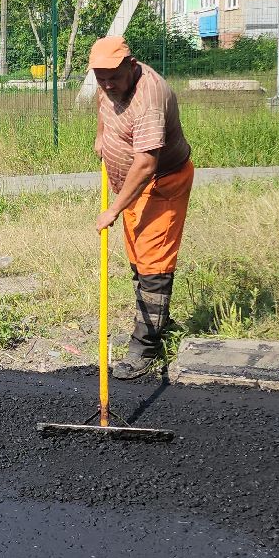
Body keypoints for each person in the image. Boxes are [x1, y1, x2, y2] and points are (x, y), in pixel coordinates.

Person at [90, 34, 194, 380]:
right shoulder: (109, 83)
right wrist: (102, 136)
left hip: (160, 184)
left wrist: (113, 209)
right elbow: (105, 105)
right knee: (139, 260)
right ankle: (155, 322)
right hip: (132, 189)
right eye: (99, 77)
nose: (106, 84)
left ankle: (145, 347)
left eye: (113, 77)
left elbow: (147, 164)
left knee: (153, 266)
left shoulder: (149, 95)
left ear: (131, 66)